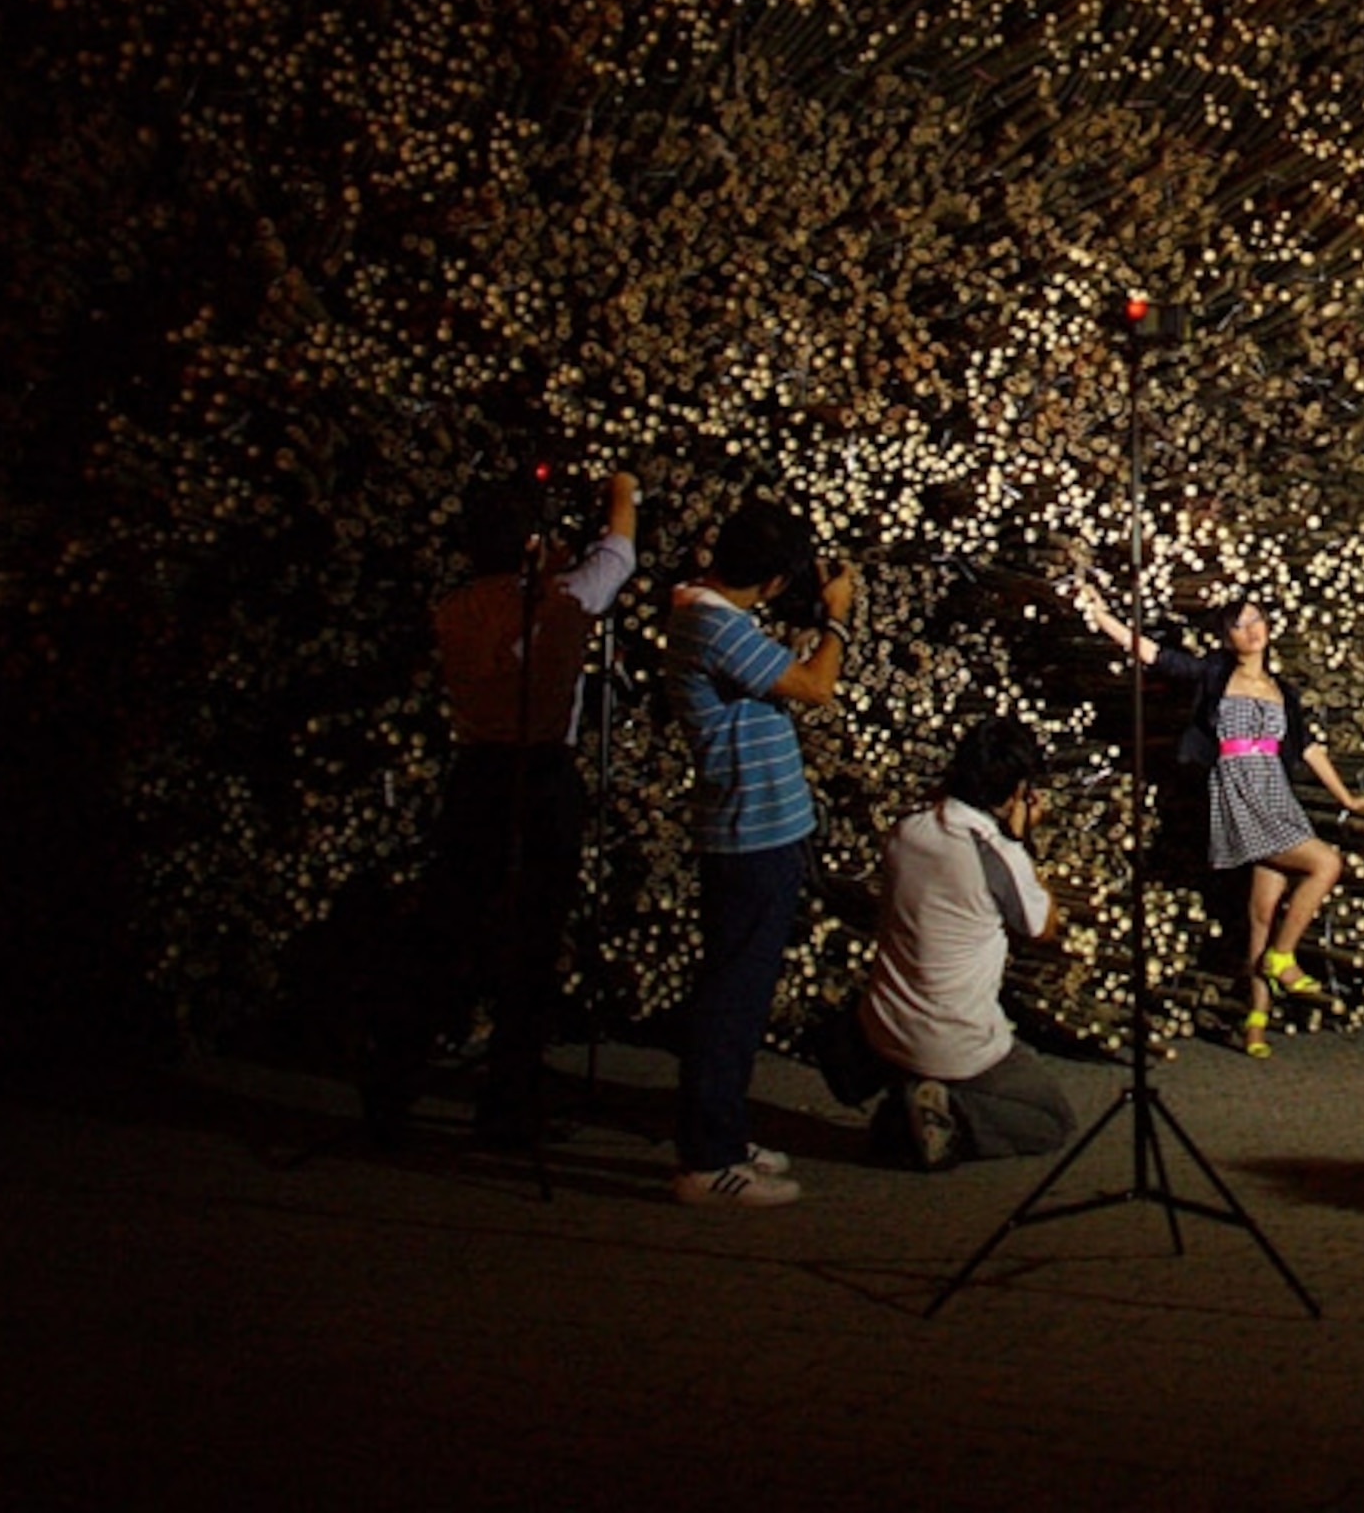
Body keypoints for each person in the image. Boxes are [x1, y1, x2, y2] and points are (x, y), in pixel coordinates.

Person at [364, 468, 637, 1146]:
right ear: (531, 543)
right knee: (534, 942)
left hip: (476, 777)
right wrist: (622, 491)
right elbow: (621, 551)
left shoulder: (452, 610)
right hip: (540, 779)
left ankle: (392, 1089)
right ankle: (507, 1100)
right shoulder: (566, 598)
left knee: (445, 931)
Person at [1074, 579, 1364, 1058]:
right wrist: (1102, 614)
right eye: (1239, 624)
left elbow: (1309, 748)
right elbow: (1155, 655)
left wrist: (1348, 799)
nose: (1251, 630)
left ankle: (1255, 1022)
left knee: (1259, 915)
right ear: (1226, 637)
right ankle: (1283, 960)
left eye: (1256, 619)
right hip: (1238, 791)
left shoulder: (1282, 690)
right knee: (1326, 863)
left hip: (1276, 794)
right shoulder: (1215, 674)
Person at [664, 497, 857, 1208]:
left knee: (740, 991)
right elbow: (815, 685)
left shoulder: (715, 615)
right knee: (731, 998)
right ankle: (707, 1160)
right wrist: (836, 617)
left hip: (758, 830)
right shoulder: (714, 626)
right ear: (774, 580)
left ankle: (725, 1132)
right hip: (750, 834)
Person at [852, 715, 1077, 1167]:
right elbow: (1043, 925)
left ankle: (908, 1092)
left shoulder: (906, 832)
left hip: (885, 1023)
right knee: (1051, 1119)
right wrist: (1022, 840)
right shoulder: (998, 856)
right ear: (1016, 791)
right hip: (956, 1040)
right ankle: (947, 1116)